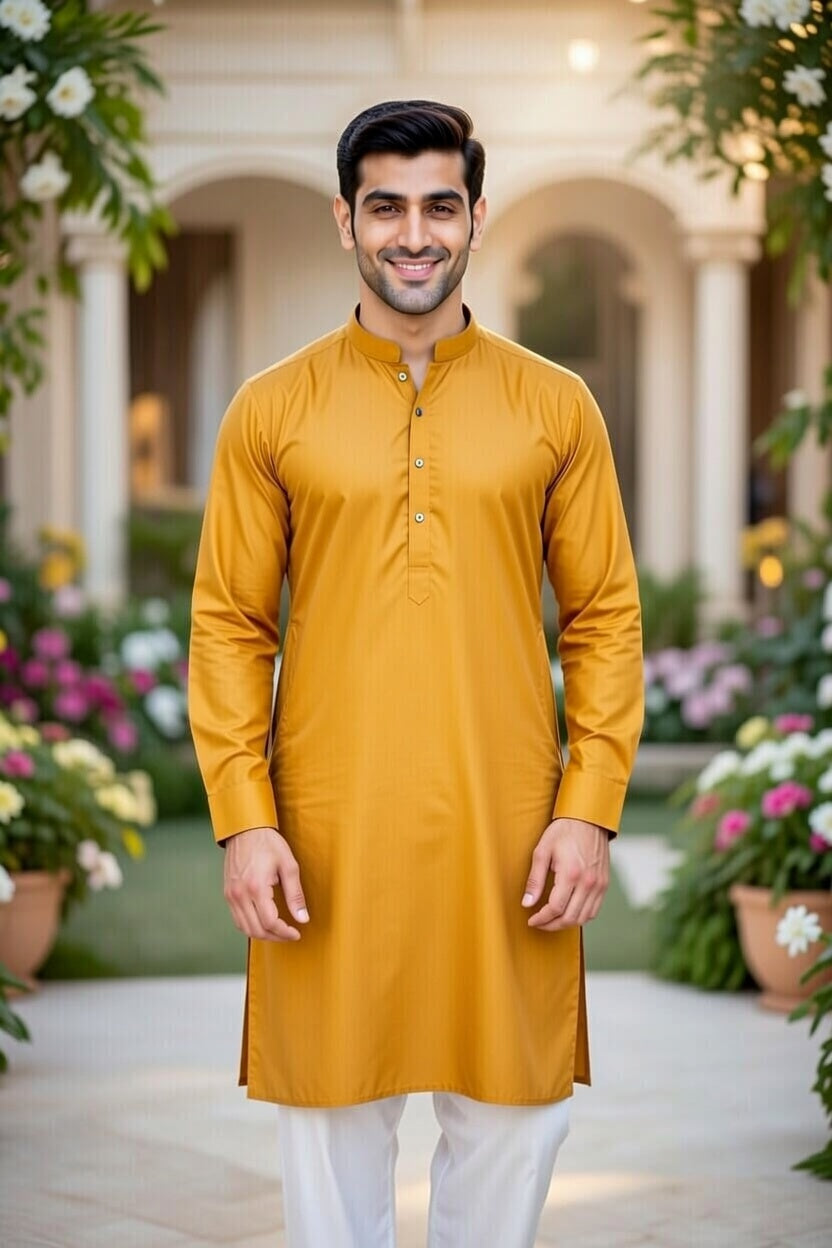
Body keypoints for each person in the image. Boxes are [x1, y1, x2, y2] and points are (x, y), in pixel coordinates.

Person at [187, 99, 644, 1248]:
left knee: (516, 1117)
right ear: (346, 220)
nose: (414, 233)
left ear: (477, 217)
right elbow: (230, 625)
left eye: (440, 205)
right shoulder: (271, 408)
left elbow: (604, 619)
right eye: (385, 206)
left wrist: (587, 809)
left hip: (511, 830)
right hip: (327, 835)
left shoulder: (556, 404)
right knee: (328, 1122)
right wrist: (246, 821)